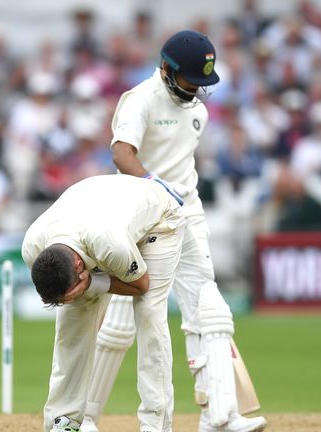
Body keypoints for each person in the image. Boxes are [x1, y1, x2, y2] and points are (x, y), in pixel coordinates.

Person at [81, 30, 267, 432]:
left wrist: (176, 199)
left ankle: (218, 415)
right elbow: (120, 151)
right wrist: (152, 186)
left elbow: (183, 165)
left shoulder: (198, 110)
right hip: (139, 216)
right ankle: (84, 418)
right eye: (190, 80)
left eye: (203, 82)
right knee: (118, 325)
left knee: (209, 311)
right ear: (166, 68)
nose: (197, 89)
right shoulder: (141, 99)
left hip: (186, 215)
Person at [22, 174, 186, 432]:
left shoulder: (110, 245)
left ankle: (156, 424)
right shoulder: (33, 247)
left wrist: (92, 284)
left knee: (148, 311)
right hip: (101, 203)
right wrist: (79, 292)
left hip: (159, 218)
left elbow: (142, 284)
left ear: (79, 265)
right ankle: (64, 421)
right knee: (72, 318)